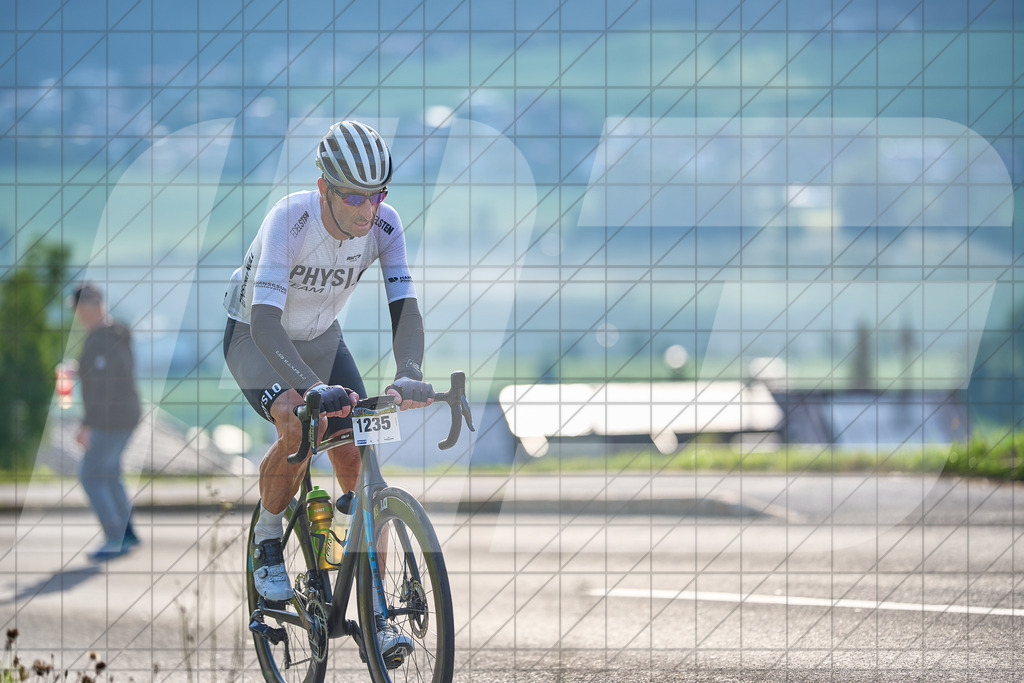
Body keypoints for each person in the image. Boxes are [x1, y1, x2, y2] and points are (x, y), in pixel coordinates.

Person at [222, 120, 433, 664]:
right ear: (324, 188)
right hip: (254, 336)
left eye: (377, 195)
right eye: (355, 197)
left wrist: (408, 369)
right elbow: (266, 325)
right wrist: (313, 389)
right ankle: (269, 541)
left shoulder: (385, 226)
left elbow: (404, 308)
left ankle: (376, 611)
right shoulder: (288, 221)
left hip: (321, 339)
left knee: (358, 463)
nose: (368, 211)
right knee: (299, 420)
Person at [69, 282, 142, 561]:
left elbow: (105, 386)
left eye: (77, 309)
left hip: (111, 419)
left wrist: (86, 424)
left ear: (87, 307)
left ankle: (116, 537)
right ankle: (127, 532)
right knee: (110, 472)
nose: (77, 315)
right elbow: (108, 373)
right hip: (126, 414)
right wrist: (82, 370)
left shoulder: (101, 339)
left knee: (90, 475)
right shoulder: (116, 333)